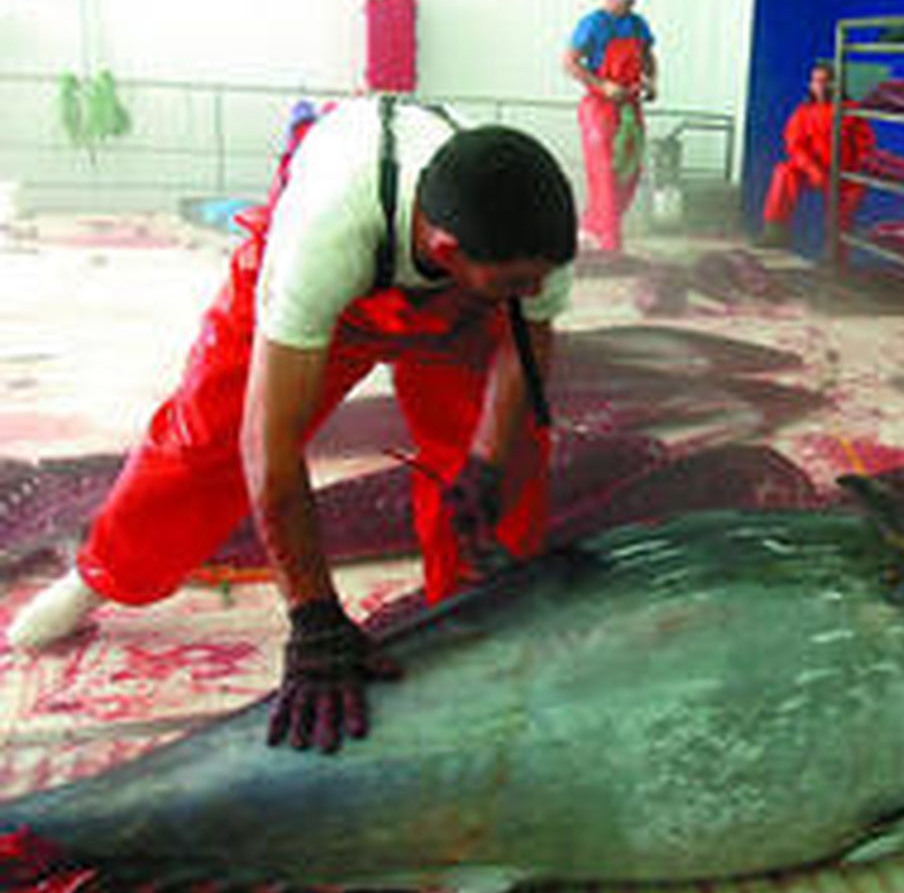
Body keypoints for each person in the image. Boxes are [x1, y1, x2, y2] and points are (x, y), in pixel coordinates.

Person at [7, 97, 578, 755]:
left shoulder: (532, 241)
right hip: (343, 267)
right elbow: (268, 447)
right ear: (447, 250)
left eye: (538, 280)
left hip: (464, 290)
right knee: (208, 440)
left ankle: (474, 612)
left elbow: (525, 345)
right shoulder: (323, 240)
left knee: (518, 455)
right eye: (519, 283)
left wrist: (487, 461)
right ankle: (105, 572)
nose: (535, 291)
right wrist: (312, 617)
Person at [564, 0, 658, 253]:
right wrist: (602, 86)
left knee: (630, 173)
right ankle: (609, 244)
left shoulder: (638, 25)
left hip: (630, 107)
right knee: (604, 173)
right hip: (600, 109)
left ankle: (591, 228)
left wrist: (651, 81)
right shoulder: (592, 24)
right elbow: (569, 63)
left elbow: (649, 56)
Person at [762, 61, 876, 246]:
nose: (820, 86)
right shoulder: (804, 112)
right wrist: (811, 168)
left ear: (836, 85)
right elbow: (794, 146)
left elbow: (866, 148)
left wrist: (854, 176)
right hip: (811, 171)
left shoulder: (851, 111)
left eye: (825, 81)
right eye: (816, 81)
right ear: (810, 85)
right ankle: (775, 231)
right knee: (783, 172)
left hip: (842, 174)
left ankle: (835, 251)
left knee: (846, 204)